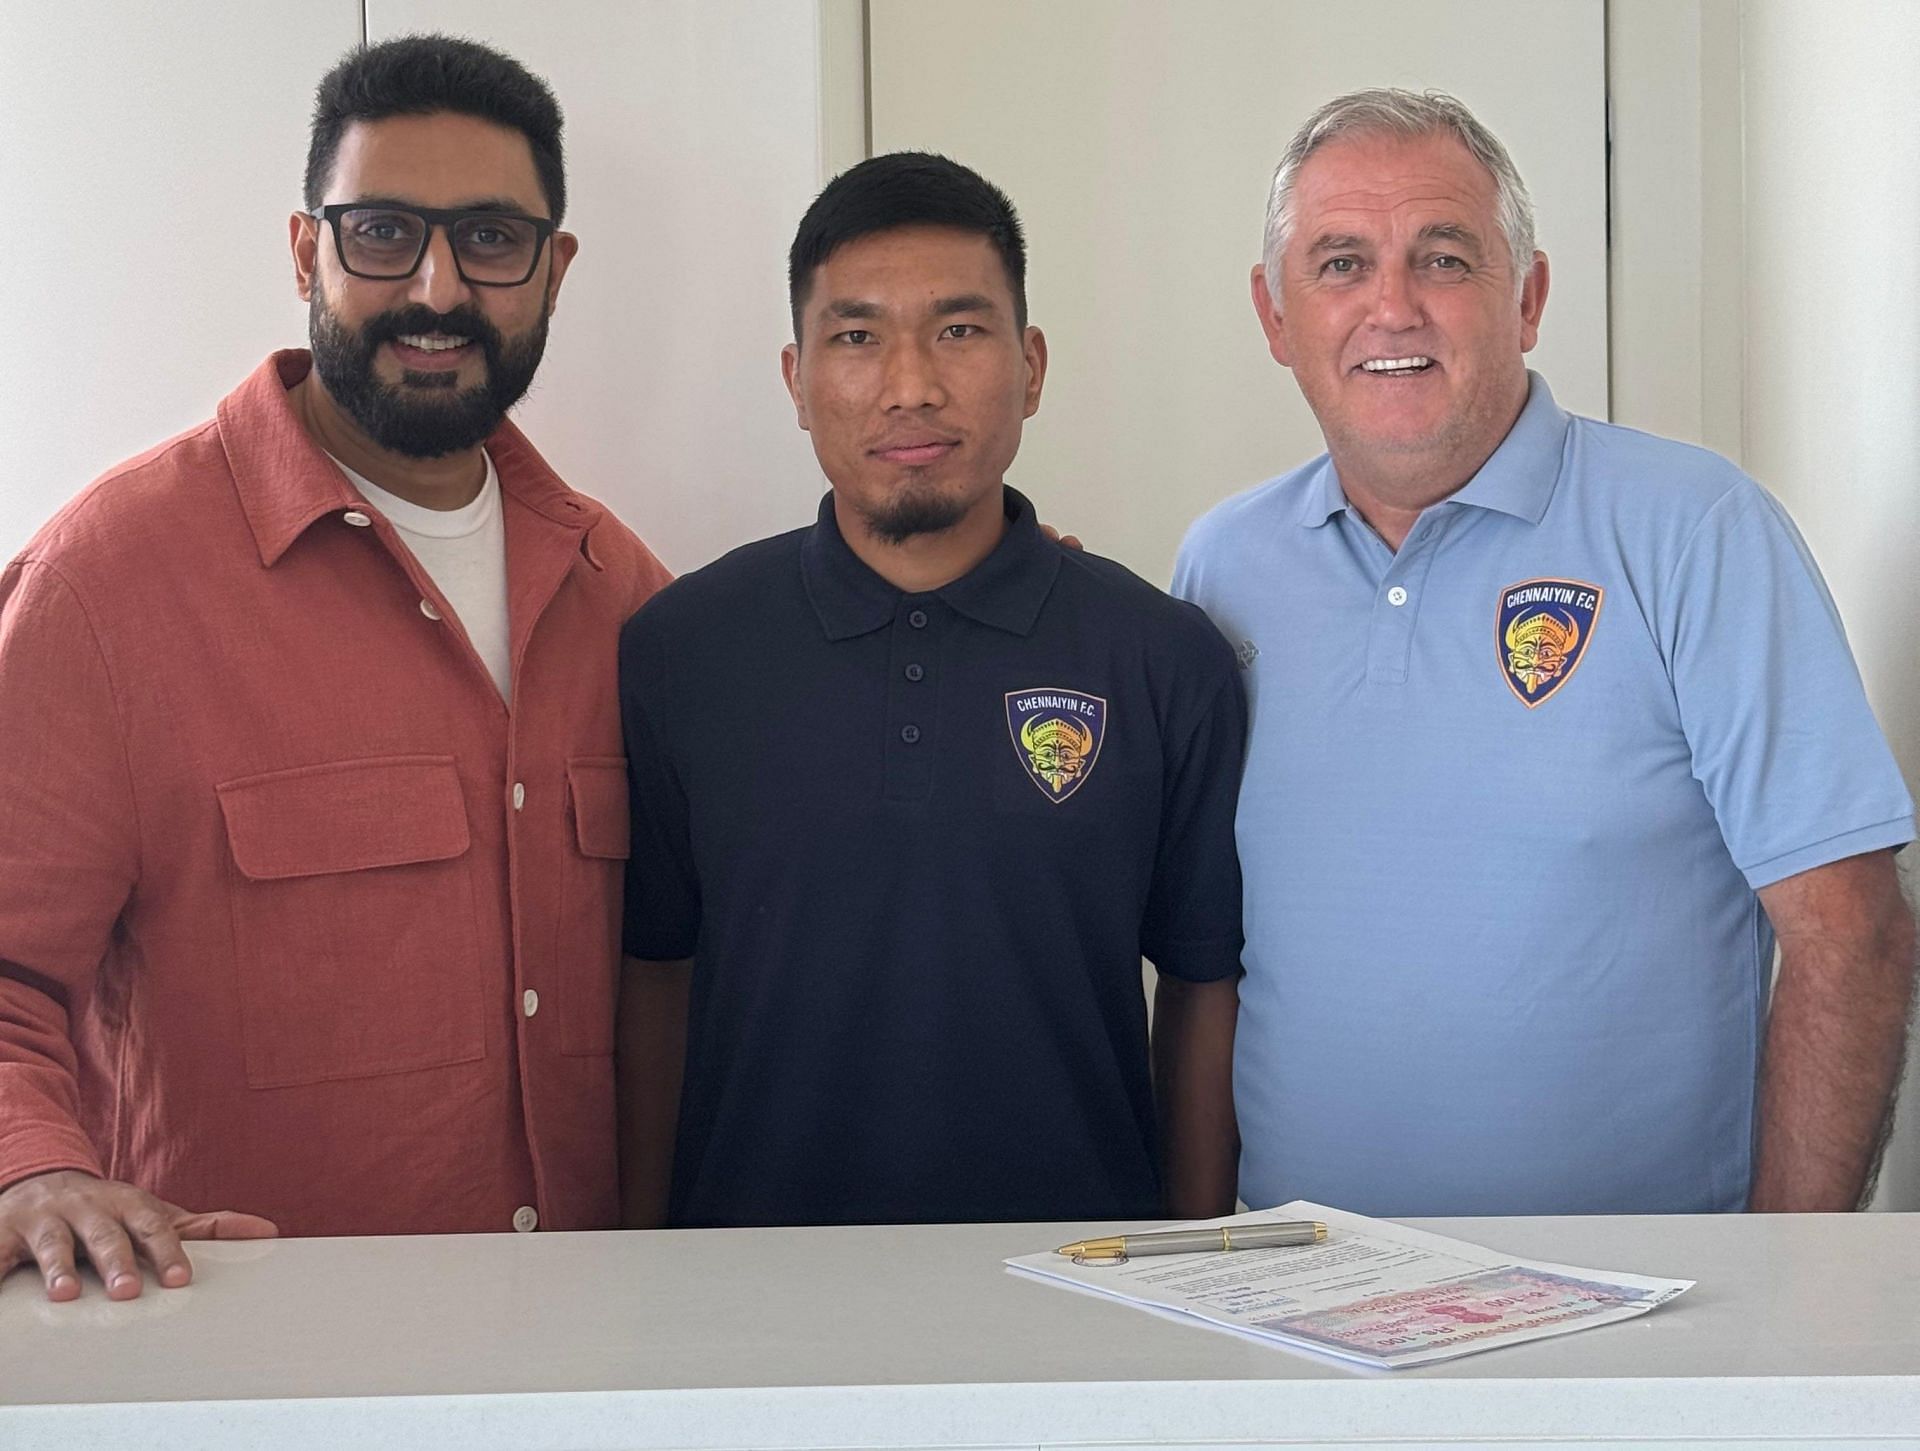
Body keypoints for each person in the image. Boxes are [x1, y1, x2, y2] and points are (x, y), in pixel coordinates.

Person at [0, 35, 671, 1300]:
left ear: (553, 269)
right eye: (381, 234)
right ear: (307, 250)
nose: (435, 287)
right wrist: (27, 1169)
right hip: (245, 1377)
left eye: (489, 239)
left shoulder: (618, 588)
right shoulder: (106, 586)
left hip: (593, 1364)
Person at [1174, 88, 1917, 1218]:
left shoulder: (1697, 530)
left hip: (1639, 1324)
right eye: (1338, 264)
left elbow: (1850, 932)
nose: (1392, 308)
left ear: (1527, 296)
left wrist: (1791, 1291)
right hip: (1300, 1321)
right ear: (1276, 317)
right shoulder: (1222, 565)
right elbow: (1201, 956)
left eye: (1444, 258)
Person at [616, 153, 1244, 1229]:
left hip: (1079, 1290)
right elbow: (655, 978)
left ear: (1032, 365)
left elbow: (1199, 989)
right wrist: (635, 1269)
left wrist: (1191, 1268)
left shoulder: (1161, 656)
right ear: (796, 376)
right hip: (742, 1306)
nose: (910, 383)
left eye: (959, 329)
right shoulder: (680, 650)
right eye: (856, 336)